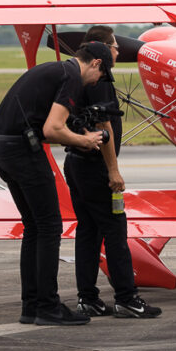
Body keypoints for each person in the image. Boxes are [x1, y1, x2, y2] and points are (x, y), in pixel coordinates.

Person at [0, 42, 112, 326]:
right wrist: (85, 140)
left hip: (1, 148)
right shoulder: (71, 77)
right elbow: (52, 129)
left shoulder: (52, 70)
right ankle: (48, 306)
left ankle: (31, 305)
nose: (99, 82)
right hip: (22, 152)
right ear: (95, 64)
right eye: (102, 75)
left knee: (34, 227)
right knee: (49, 226)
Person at [66, 26, 161, 319]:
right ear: (104, 50)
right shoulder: (102, 77)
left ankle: (88, 298)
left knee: (87, 232)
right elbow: (104, 126)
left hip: (75, 162)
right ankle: (127, 297)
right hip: (96, 167)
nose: (119, 52)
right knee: (116, 231)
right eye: (116, 47)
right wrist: (113, 171)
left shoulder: (74, 75)